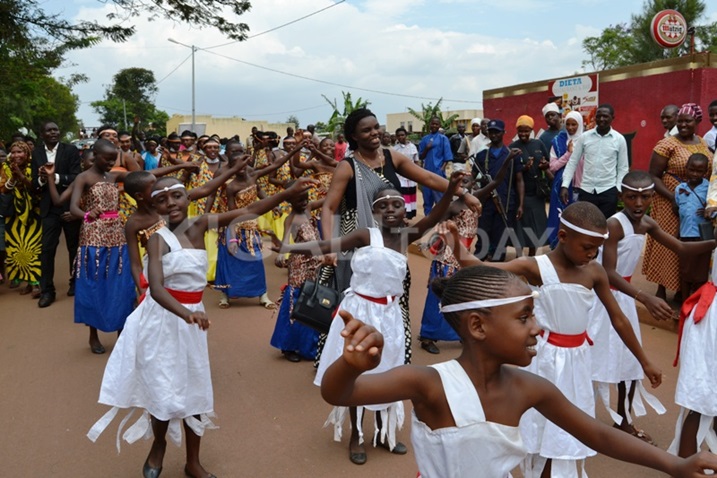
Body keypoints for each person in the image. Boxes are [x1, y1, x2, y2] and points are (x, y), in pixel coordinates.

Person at [319, 271, 717, 478]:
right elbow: (338, 394)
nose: (538, 328)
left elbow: (597, 434)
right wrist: (349, 366)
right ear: (477, 326)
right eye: (525, 317)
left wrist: (674, 466)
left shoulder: (529, 387)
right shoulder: (427, 382)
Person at [86, 174, 314, 478]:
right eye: (162, 199)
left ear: (187, 198)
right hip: (163, 320)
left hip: (191, 320)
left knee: (195, 387)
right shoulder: (157, 239)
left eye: (176, 196)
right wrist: (185, 314)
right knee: (163, 386)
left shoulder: (201, 224)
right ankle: (158, 447)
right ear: (154, 204)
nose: (170, 203)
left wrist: (286, 193)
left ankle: (193, 461)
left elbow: (251, 211)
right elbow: (155, 287)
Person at [442, 201, 663, 477]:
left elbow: (618, 318)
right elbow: (483, 268)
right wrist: (455, 243)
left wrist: (644, 361)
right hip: (543, 361)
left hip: (578, 363)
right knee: (538, 428)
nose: (592, 254)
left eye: (597, 248)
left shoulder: (594, 272)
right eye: (586, 247)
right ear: (562, 237)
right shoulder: (536, 267)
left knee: (566, 435)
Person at [279, 173, 465, 465]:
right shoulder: (367, 235)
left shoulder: (406, 237)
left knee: (389, 374)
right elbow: (330, 246)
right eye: (383, 205)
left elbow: (435, 216)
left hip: (390, 315)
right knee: (358, 374)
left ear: (405, 210)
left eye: (396, 204)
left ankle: (384, 432)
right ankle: (356, 434)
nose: (390, 209)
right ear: (375, 212)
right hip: (359, 313)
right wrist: (289, 248)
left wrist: (451, 188)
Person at [319, 108, 481, 366]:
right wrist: (328, 247)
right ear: (353, 136)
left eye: (376, 127)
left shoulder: (390, 157)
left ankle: (390, 354)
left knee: (391, 295)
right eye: (366, 130)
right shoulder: (347, 167)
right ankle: (346, 360)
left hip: (392, 240)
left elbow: (428, 177)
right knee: (358, 300)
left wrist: (463, 193)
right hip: (357, 244)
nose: (374, 133)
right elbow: (328, 208)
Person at [589, 170, 715, 447]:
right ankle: (575, 421)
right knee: (589, 359)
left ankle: (623, 421)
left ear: (652, 197)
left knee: (630, 363)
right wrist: (644, 298)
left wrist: (714, 242)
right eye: (631, 197)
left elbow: (682, 248)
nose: (638, 203)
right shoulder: (615, 225)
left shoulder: (647, 223)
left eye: (644, 197)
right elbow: (608, 272)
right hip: (601, 299)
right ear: (622, 197)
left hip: (623, 298)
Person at [643, 103, 712, 302]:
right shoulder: (666, 144)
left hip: (696, 204)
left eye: (687, 121)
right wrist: (674, 198)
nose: (682, 125)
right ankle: (662, 287)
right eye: (679, 121)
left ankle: (683, 288)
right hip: (669, 200)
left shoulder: (702, 143)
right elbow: (654, 175)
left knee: (692, 242)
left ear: (697, 121)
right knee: (667, 243)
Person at [213, 146, 294, 309]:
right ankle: (224, 295)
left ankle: (262, 295)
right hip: (235, 228)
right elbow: (232, 213)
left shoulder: (254, 177)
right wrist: (233, 238)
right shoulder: (231, 187)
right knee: (228, 262)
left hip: (252, 229)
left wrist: (294, 151)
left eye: (244, 163)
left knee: (256, 261)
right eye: (237, 164)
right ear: (232, 166)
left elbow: (273, 170)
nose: (242, 168)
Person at [270, 185, 324, 362]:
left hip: (316, 262)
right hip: (299, 264)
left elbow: (328, 200)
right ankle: (289, 345)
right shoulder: (290, 219)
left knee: (312, 302)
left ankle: (309, 345)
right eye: (299, 200)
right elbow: (285, 241)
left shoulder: (309, 209)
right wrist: (280, 256)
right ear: (289, 201)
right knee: (295, 302)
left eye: (306, 199)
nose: (304, 203)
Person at [31, 121, 82, 308]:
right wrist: (42, 179)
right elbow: (34, 184)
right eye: (49, 130)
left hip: (69, 206)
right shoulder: (36, 153)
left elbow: (77, 176)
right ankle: (47, 291)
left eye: (55, 129)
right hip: (48, 209)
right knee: (46, 250)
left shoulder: (70, 150)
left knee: (73, 246)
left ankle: (75, 283)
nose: (53, 132)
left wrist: (55, 177)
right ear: (41, 134)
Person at [560, 104, 629, 219]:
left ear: (613, 118)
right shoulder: (585, 137)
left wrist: (618, 188)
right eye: (599, 116)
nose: (602, 119)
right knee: (587, 227)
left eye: (605, 116)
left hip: (608, 191)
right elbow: (572, 162)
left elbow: (623, 167)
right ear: (595, 118)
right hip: (586, 190)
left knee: (606, 228)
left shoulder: (619, 139)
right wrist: (565, 185)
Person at [472, 119, 524, 262]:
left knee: (500, 241)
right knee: (482, 239)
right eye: (491, 132)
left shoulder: (512, 154)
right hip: (486, 204)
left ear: (503, 133)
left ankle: (496, 274)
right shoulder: (482, 155)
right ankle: (476, 273)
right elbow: (472, 178)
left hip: (506, 203)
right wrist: (477, 190)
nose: (493, 135)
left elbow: (519, 180)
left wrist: (520, 204)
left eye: (497, 132)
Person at [1, 141, 41, 297]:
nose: (17, 155)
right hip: (14, 215)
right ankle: (27, 282)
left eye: (20, 152)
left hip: (33, 213)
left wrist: (21, 176)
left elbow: (35, 188)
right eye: (14, 152)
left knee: (33, 248)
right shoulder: (6, 168)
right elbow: (4, 190)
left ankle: (36, 283)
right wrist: (13, 177)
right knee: (16, 249)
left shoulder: (35, 166)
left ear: (27, 153)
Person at [510, 115, 552, 256]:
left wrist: (544, 165)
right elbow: (510, 171)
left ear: (531, 130)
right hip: (519, 194)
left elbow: (547, 163)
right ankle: (518, 255)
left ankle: (533, 255)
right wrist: (524, 168)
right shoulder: (512, 147)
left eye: (526, 131)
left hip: (537, 193)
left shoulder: (539, 144)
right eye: (520, 131)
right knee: (520, 225)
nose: (523, 134)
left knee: (535, 225)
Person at [674, 153, 712, 300]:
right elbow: (677, 210)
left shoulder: (709, 189)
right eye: (692, 170)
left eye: (699, 171)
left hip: (702, 237)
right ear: (686, 169)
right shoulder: (679, 189)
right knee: (685, 271)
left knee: (701, 272)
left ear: (705, 172)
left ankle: (698, 302)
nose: (695, 174)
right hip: (685, 236)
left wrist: (709, 212)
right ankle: (685, 301)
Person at [547, 111, 584, 249]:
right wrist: (568, 154)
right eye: (567, 124)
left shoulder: (586, 140)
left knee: (578, 219)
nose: (570, 127)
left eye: (574, 124)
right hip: (561, 187)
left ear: (579, 124)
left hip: (581, 186)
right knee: (560, 217)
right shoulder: (558, 141)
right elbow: (553, 166)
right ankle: (558, 247)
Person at [418, 117, 453, 215]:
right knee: (427, 198)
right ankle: (427, 220)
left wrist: (442, 169)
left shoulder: (443, 139)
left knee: (440, 198)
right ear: (429, 125)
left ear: (439, 126)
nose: (434, 126)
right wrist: (427, 148)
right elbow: (421, 155)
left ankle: (441, 220)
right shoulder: (425, 139)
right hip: (427, 172)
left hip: (438, 172)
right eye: (432, 123)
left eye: (436, 124)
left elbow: (447, 156)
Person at [392, 127, 419, 219]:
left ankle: (410, 214)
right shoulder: (394, 149)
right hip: (400, 176)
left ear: (406, 136)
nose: (400, 137)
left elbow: (416, 161)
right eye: (398, 136)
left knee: (411, 194)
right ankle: (403, 214)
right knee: (402, 195)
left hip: (411, 175)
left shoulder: (413, 147)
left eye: (402, 135)